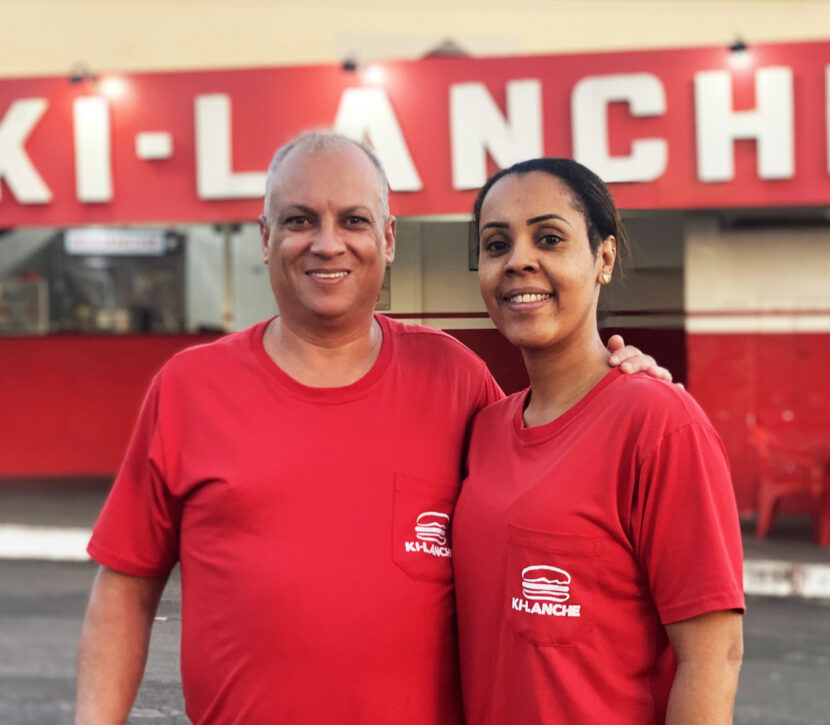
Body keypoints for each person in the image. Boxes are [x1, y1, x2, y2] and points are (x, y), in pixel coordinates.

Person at [75, 133, 669, 724]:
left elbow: (550, 450)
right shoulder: (189, 389)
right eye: (300, 220)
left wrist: (621, 382)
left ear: (388, 239)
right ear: (265, 238)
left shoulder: (456, 380)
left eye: (353, 220)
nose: (327, 243)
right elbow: (126, 585)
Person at [453, 158, 745, 724]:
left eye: (549, 238)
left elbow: (714, 658)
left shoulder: (659, 423)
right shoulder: (485, 429)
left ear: (603, 259)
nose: (518, 261)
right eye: (496, 245)